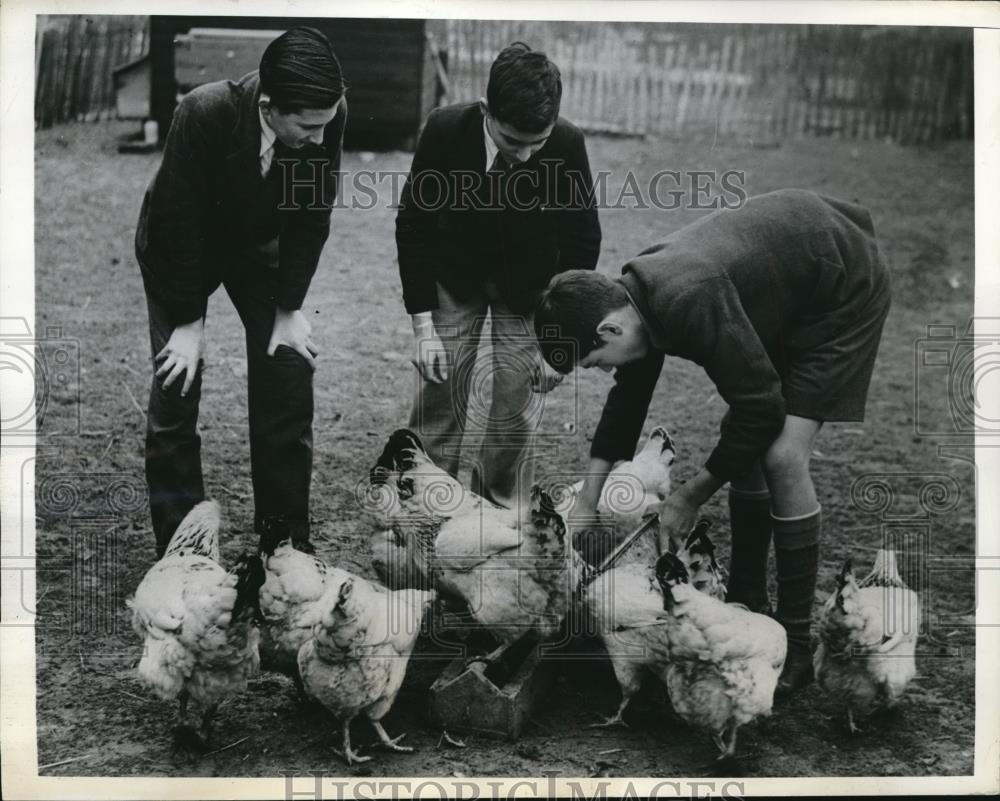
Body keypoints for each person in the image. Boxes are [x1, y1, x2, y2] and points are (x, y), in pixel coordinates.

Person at [533, 189, 891, 695]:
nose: (607, 369)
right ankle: (748, 591)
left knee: (781, 454)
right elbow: (628, 403)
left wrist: (688, 497)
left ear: (609, 328)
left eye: (598, 361)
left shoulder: (686, 297)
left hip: (840, 282)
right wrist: (588, 503)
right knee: (743, 440)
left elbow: (761, 407)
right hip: (788, 283)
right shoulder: (634, 302)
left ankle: (797, 638)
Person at [135, 27, 348, 556]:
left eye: (325, 125)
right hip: (181, 247)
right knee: (176, 384)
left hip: (259, 247)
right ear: (270, 107)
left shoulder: (327, 114)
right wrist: (188, 322)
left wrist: (288, 308)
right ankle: (184, 553)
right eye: (307, 126)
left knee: (289, 367)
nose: (319, 138)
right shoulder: (205, 112)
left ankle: (284, 548)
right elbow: (177, 219)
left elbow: (311, 216)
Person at [394, 42, 601, 512]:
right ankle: (425, 499)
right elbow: (414, 224)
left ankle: (496, 508)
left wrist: (559, 344)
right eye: (512, 141)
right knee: (438, 389)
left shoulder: (568, 144)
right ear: (487, 111)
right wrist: (423, 329)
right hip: (455, 276)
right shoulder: (446, 129)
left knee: (517, 399)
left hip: (529, 290)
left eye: (538, 142)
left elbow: (582, 242)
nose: (526, 155)